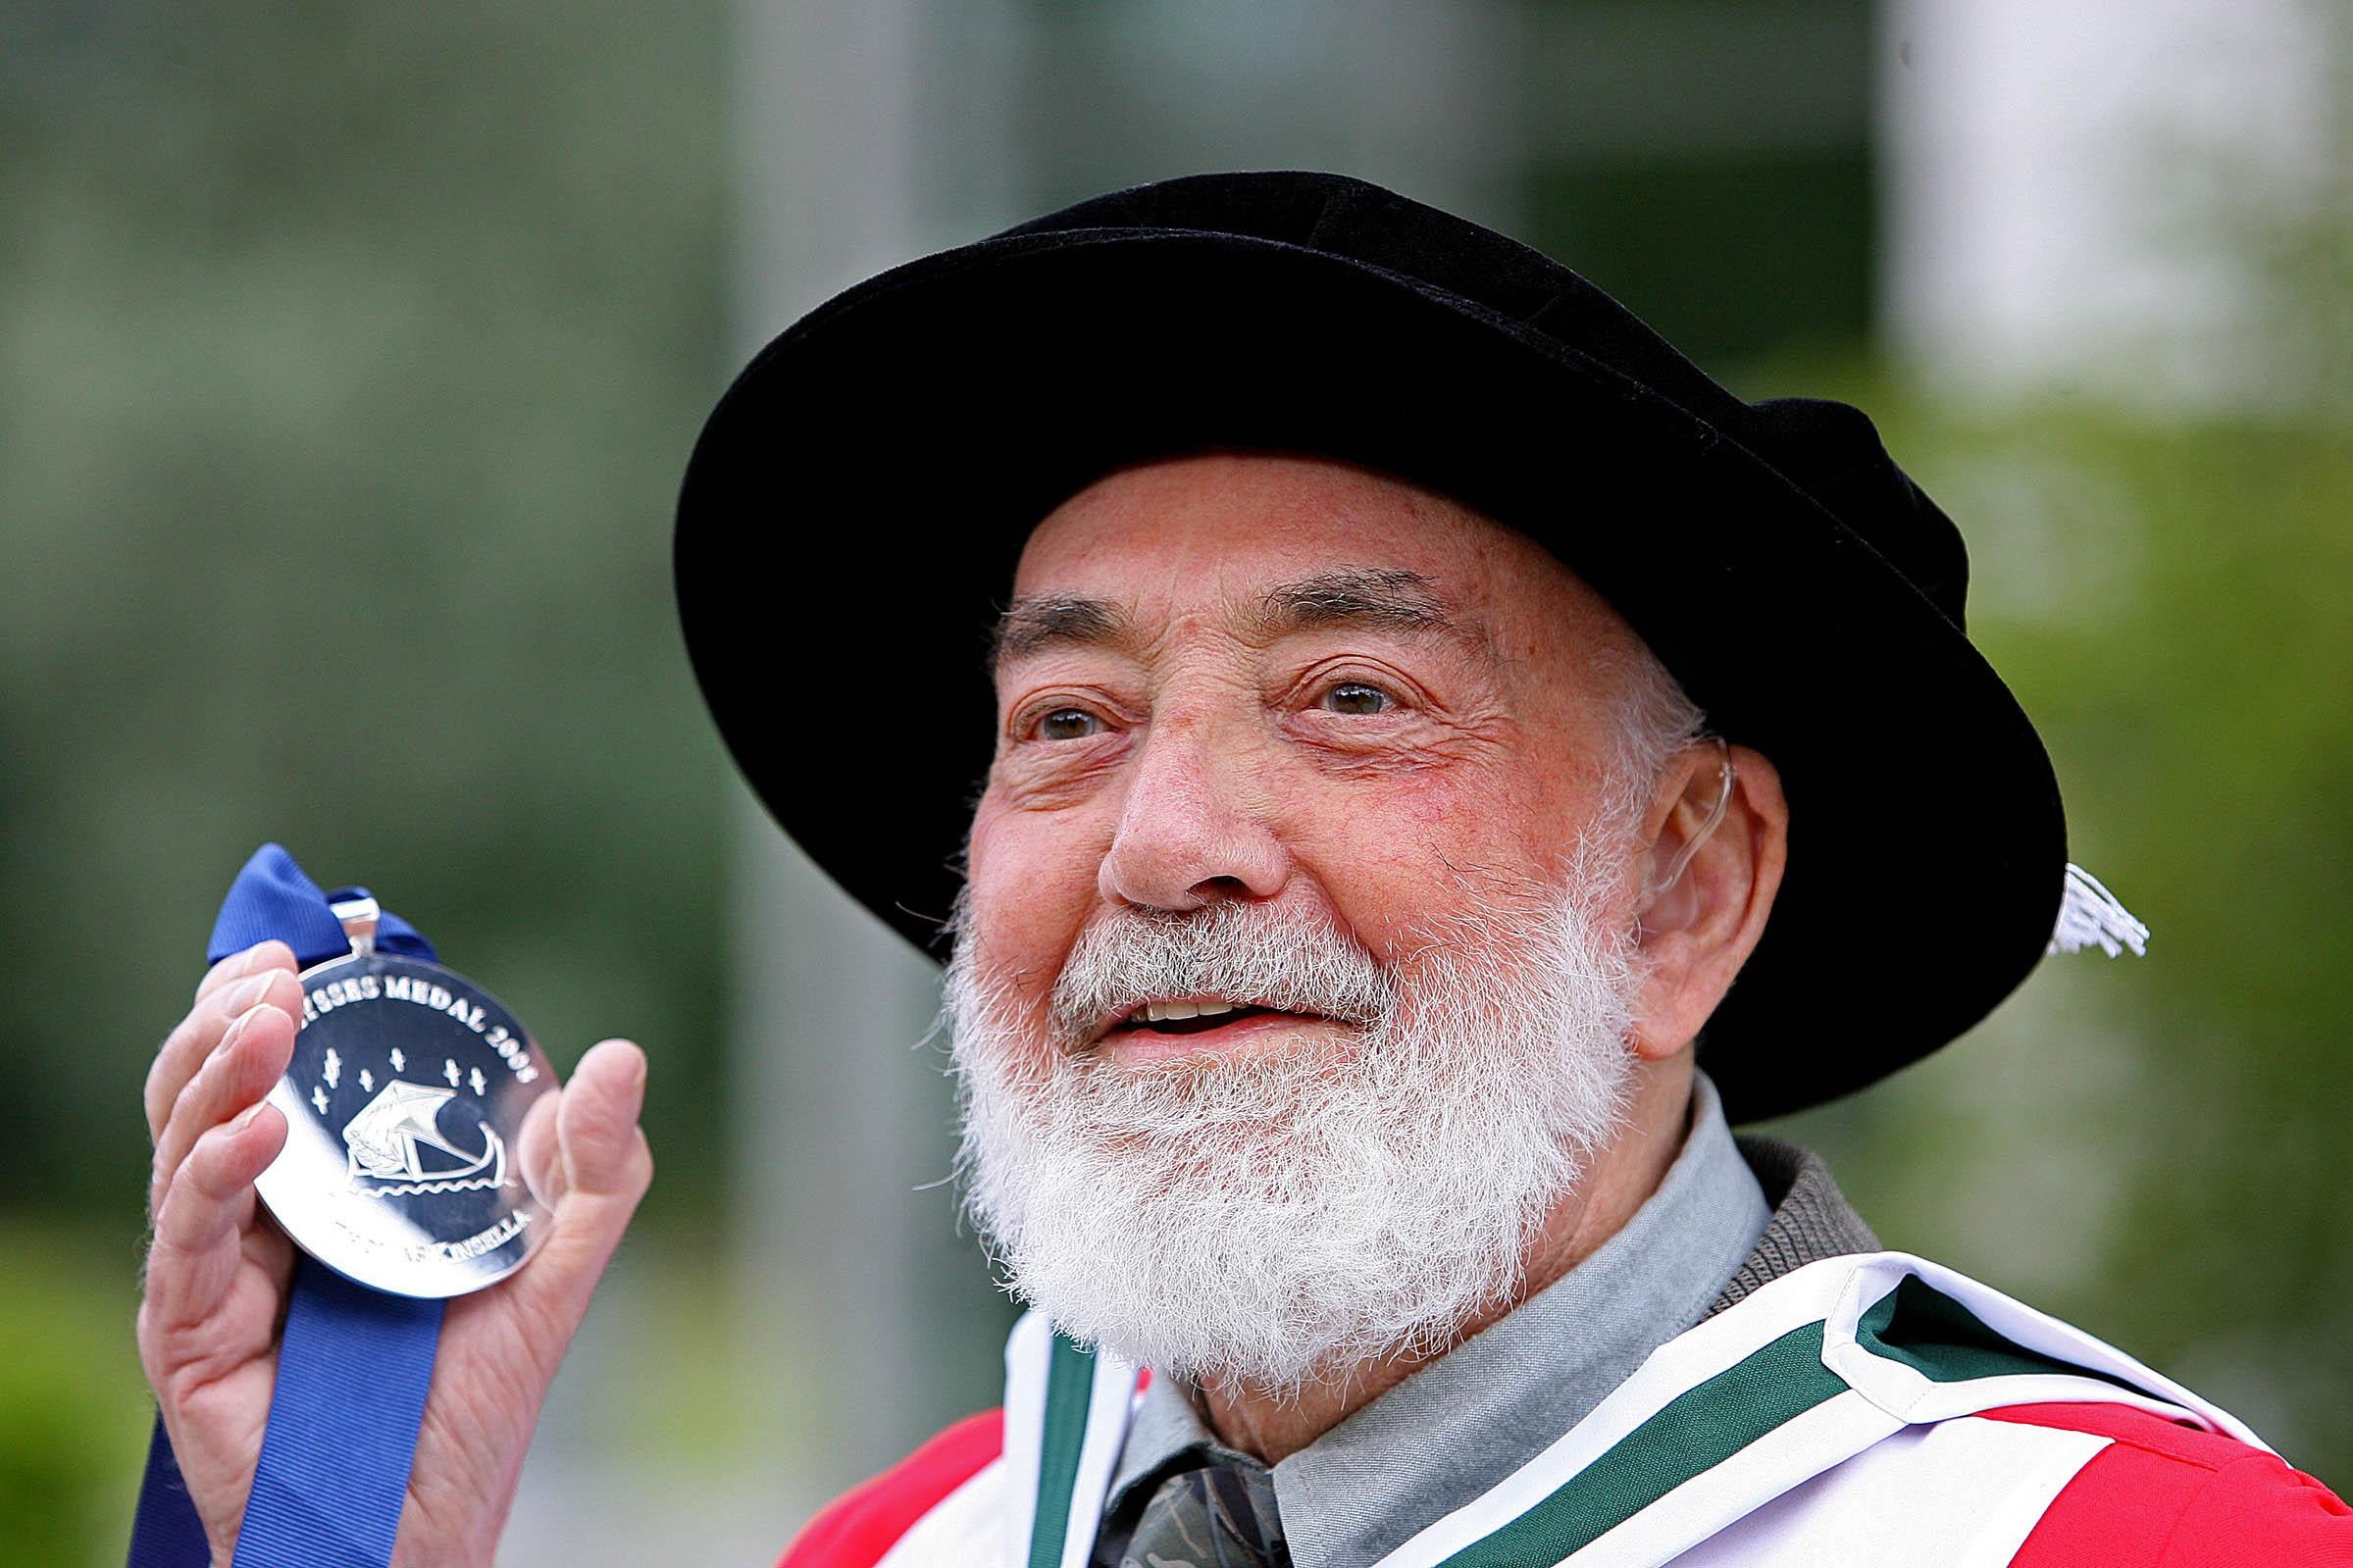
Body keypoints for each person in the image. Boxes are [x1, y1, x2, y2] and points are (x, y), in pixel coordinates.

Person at [136, 172, 2352, 1566]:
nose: (1166, 845)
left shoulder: (2098, 1547)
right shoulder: (908, 1548)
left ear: (1685, 884)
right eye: (1067, 725)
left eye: (1354, 700)